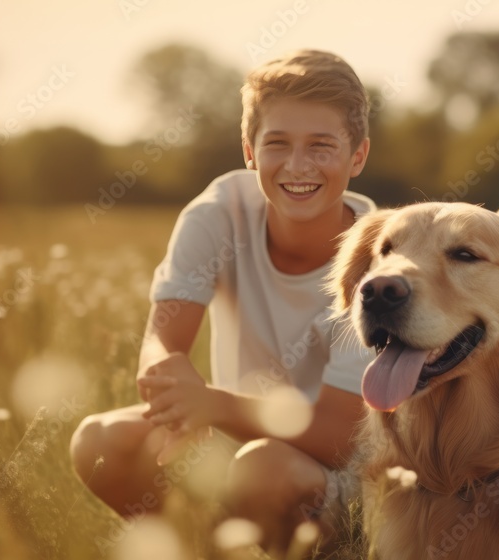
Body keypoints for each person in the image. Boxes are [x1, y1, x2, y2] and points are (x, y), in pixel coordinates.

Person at [69, 49, 375, 554]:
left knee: (261, 467)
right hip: (232, 434)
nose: (297, 166)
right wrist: (177, 391)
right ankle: (199, 547)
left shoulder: (378, 260)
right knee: (100, 439)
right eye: (277, 143)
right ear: (249, 150)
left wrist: (211, 404)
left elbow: (338, 438)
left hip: (340, 475)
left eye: (321, 146)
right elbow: (161, 341)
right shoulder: (219, 211)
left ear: (357, 156)